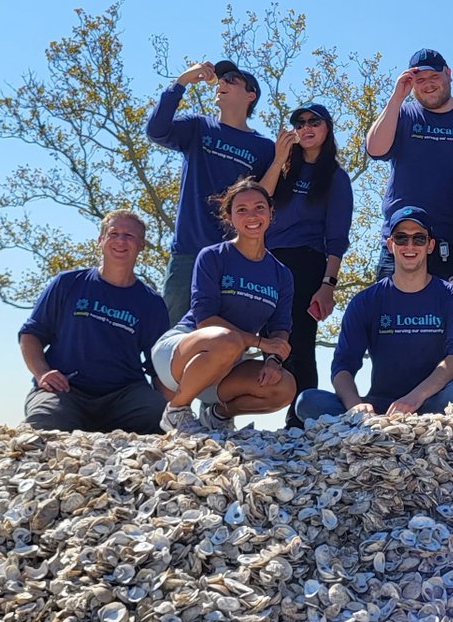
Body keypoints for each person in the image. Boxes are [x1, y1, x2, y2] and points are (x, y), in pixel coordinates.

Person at [295, 207, 453, 418]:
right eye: (401, 238)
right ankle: (375, 431)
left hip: (430, 403)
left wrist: (415, 398)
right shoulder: (366, 301)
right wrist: (355, 407)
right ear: (390, 245)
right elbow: (342, 366)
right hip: (379, 409)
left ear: (430, 246)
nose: (410, 246)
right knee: (307, 401)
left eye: (418, 239)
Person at [152, 180, 296, 434]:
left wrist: (273, 360)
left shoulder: (281, 274)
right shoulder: (212, 256)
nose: (252, 215)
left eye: (259, 207)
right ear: (229, 217)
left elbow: (280, 328)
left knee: (284, 386)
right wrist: (261, 344)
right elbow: (205, 320)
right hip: (180, 355)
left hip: (224, 367)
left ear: (271, 213)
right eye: (241, 210)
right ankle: (176, 411)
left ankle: (218, 415)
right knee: (227, 340)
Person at [147, 59, 275, 323]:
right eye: (220, 79)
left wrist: (281, 156)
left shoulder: (264, 147)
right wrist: (182, 81)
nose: (221, 84)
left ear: (251, 95)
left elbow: (264, 199)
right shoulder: (198, 127)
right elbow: (156, 131)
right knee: (168, 338)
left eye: (232, 80)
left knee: (224, 341)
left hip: (233, 258)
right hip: (188, 252)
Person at [19, 211, 169, 433]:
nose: (120, 240)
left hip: (124, 396)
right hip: (66, 391)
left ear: (142, 245)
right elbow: (31, 335)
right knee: (44, 424)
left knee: (160, 418)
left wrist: (171, 408)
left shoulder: (152, 302)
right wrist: (42, 373)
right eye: (113, 233)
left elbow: (158, 365)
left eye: (129, 235)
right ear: (100, 241)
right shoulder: (68, 283)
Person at [261, 102, 353, 422]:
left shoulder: (336, 177)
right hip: (265, 261)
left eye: (314, 121)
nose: (306, 127)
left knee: (299, 342)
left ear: (327, 128)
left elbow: (337, 237)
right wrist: (278, 159)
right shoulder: (283, 168)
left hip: (306, 263)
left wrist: (328, 284)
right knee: (262, 340)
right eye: (299, 123)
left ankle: (302, 423)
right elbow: (259, 201)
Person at [366, 48, 453, 280]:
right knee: (390, 313)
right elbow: (375, 149)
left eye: (434, 77)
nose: (428, 84)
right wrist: (397, 97)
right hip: (402, 241)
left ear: (448, 74)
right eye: (420, 80)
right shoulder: (404, 114)